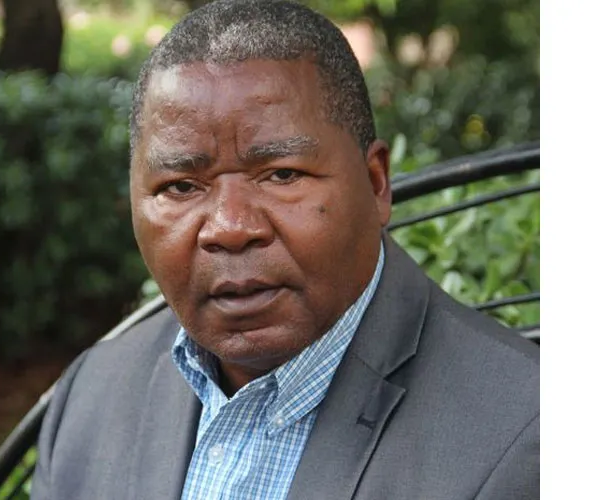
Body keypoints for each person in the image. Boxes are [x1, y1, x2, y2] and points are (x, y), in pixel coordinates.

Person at [30, 1, 540, 499]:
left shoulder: (526, 435)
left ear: (375, 183)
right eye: (181, 186)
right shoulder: (90, 398)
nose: (231, 228)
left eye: (282, 175)